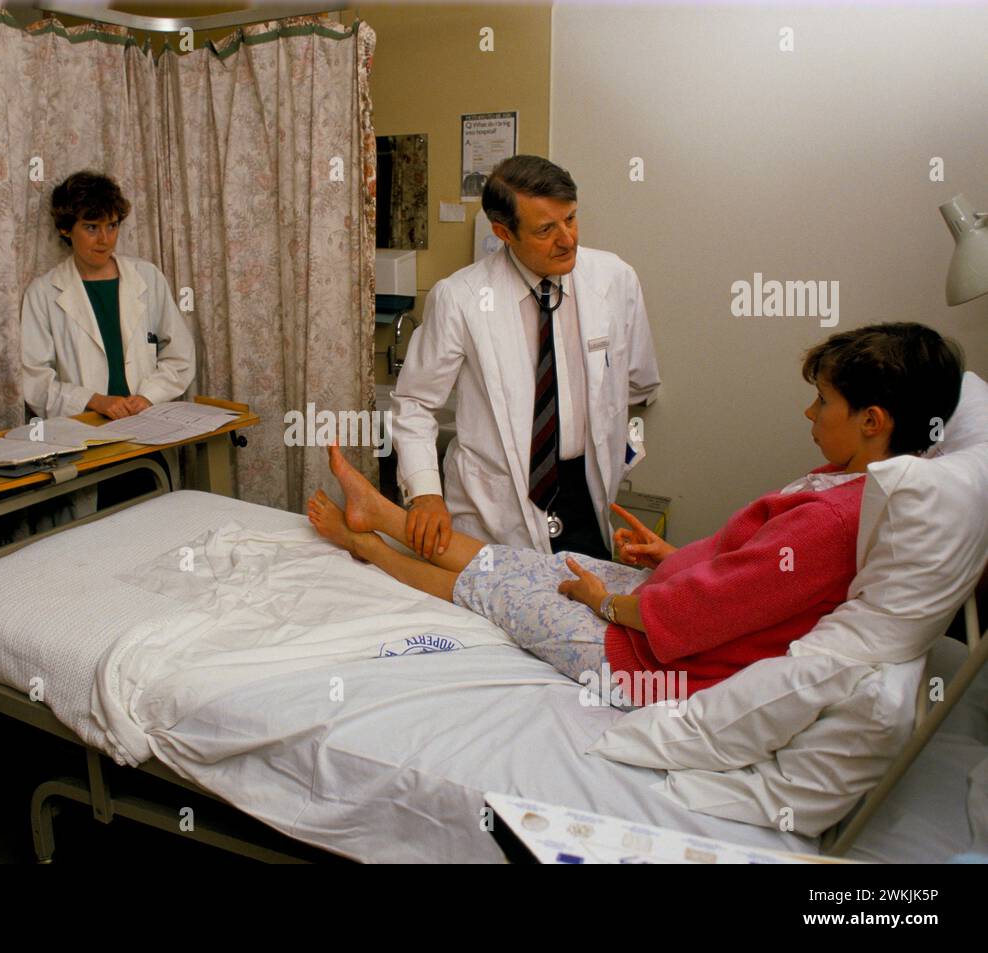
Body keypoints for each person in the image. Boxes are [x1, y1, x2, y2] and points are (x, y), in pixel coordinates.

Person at [312, 323, 964, 704]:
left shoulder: (832, 522)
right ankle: (385, 515)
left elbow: (713, 610)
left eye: (822, 402)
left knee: (487, 586)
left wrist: (604, 602)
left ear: (872, 421)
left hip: (647, 661)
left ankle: (366, 544)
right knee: (513, 560)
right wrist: (674, 557)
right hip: (655, 609)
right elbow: (744, 575)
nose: (809, 415)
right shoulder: (842, 485)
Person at [389, 155, 661, 563]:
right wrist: (426, 493)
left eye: (570, 219)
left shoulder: (614, 279)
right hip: (491, 508)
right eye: (546, 229)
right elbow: (415, 402)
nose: (567, 239)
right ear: (504, 233)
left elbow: (639, 380)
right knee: (493, 616)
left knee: (584, 608)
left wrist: (620, 447)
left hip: (584, 492)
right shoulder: (461, 297)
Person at [21, 170, 196, 509]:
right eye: (91, 227)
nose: (105, 239)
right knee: (95, 534)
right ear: (64, 229)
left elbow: (180, 355)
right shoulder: (43, 293)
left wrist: (148, 395)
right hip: (86, 439)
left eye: (112, 226)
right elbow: (36, 382)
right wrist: (93, 400)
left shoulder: (146, 277)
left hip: (145, 434)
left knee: (154, 521)